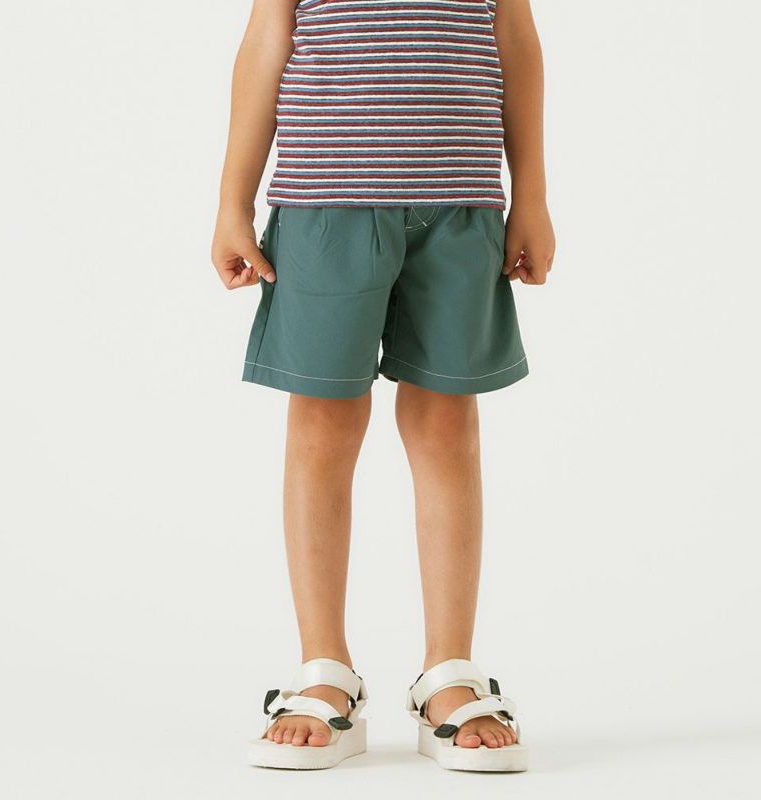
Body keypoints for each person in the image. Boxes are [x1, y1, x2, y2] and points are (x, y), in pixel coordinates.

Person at [211, 0, 555, 772]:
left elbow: (514, 35)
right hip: (322, 201)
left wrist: (531, 192)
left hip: (462, 204)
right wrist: (233, 199)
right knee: (323, 425)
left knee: (447, 425)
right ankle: (323, 670)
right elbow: (267, 35)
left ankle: (449, 671)